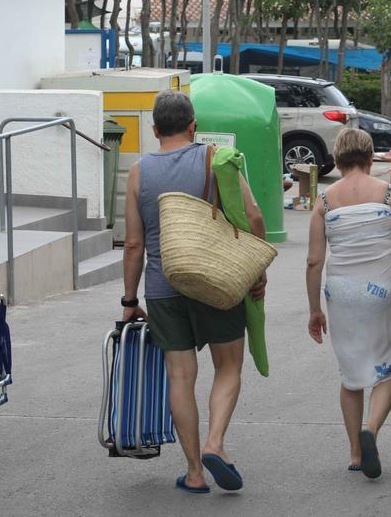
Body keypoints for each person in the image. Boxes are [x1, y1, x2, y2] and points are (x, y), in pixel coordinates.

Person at [121, 90, 267, 495]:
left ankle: (194, 472)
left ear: (154, 130)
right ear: (192, 126)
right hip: (216, 279)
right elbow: (254, 216)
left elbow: (133, 245)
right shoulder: (214, 158)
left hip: (163, 286)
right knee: (229, 366)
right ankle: (215, 443)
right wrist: (256, 270)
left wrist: (130, 301)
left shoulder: (139, 172)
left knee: (180, 376)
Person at [306, 128, 391, 480]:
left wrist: (315, 309)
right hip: (380, 293)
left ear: (338, 158)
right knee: (386, 369)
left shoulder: (325, 200)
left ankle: (356, 453)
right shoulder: (390, 195)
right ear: (370, 156)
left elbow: (314, 261)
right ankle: (371, 429)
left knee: (350, 375)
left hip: (341, 293)